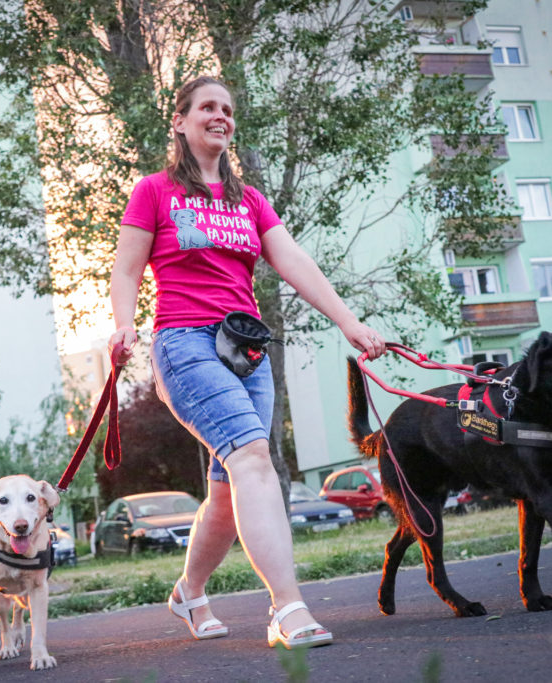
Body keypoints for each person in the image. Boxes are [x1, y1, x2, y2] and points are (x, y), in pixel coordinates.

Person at [109, 76, 386, 649]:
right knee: (255, 459)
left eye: (228, 110)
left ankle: (188, 591)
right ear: (181, 122)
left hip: (247, 349)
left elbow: (295, 262)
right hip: (184, 344)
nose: (220, 117)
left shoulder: (250, 199)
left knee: (232, 490)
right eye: (207, 107)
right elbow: (127, 270)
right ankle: (287, 609)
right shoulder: (154, 191)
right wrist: (122, 324)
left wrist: (349, 322)